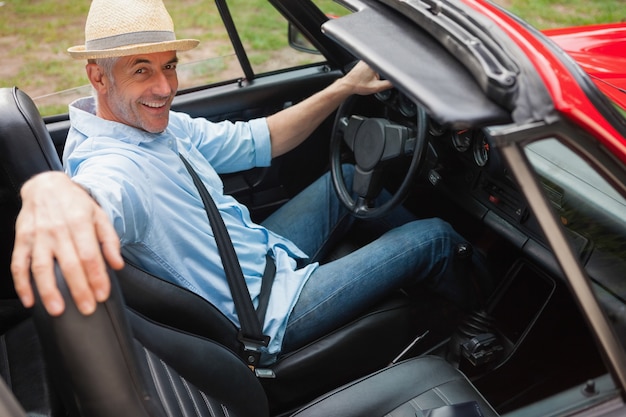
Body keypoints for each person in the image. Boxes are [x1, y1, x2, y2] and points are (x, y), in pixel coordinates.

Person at [11, 0, 485, 364]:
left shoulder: (157, 126)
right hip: (263, 315)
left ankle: (419, 291)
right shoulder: (112, 165)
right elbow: (98, 197)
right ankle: (475, 324)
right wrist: (50, 190)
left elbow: (264, 139)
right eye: (141, 70)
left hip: (259, 255)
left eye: (169, 65)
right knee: (437, 239)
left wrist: (344, 87)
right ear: (97, 75)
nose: (164, 87)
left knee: (346, 178)